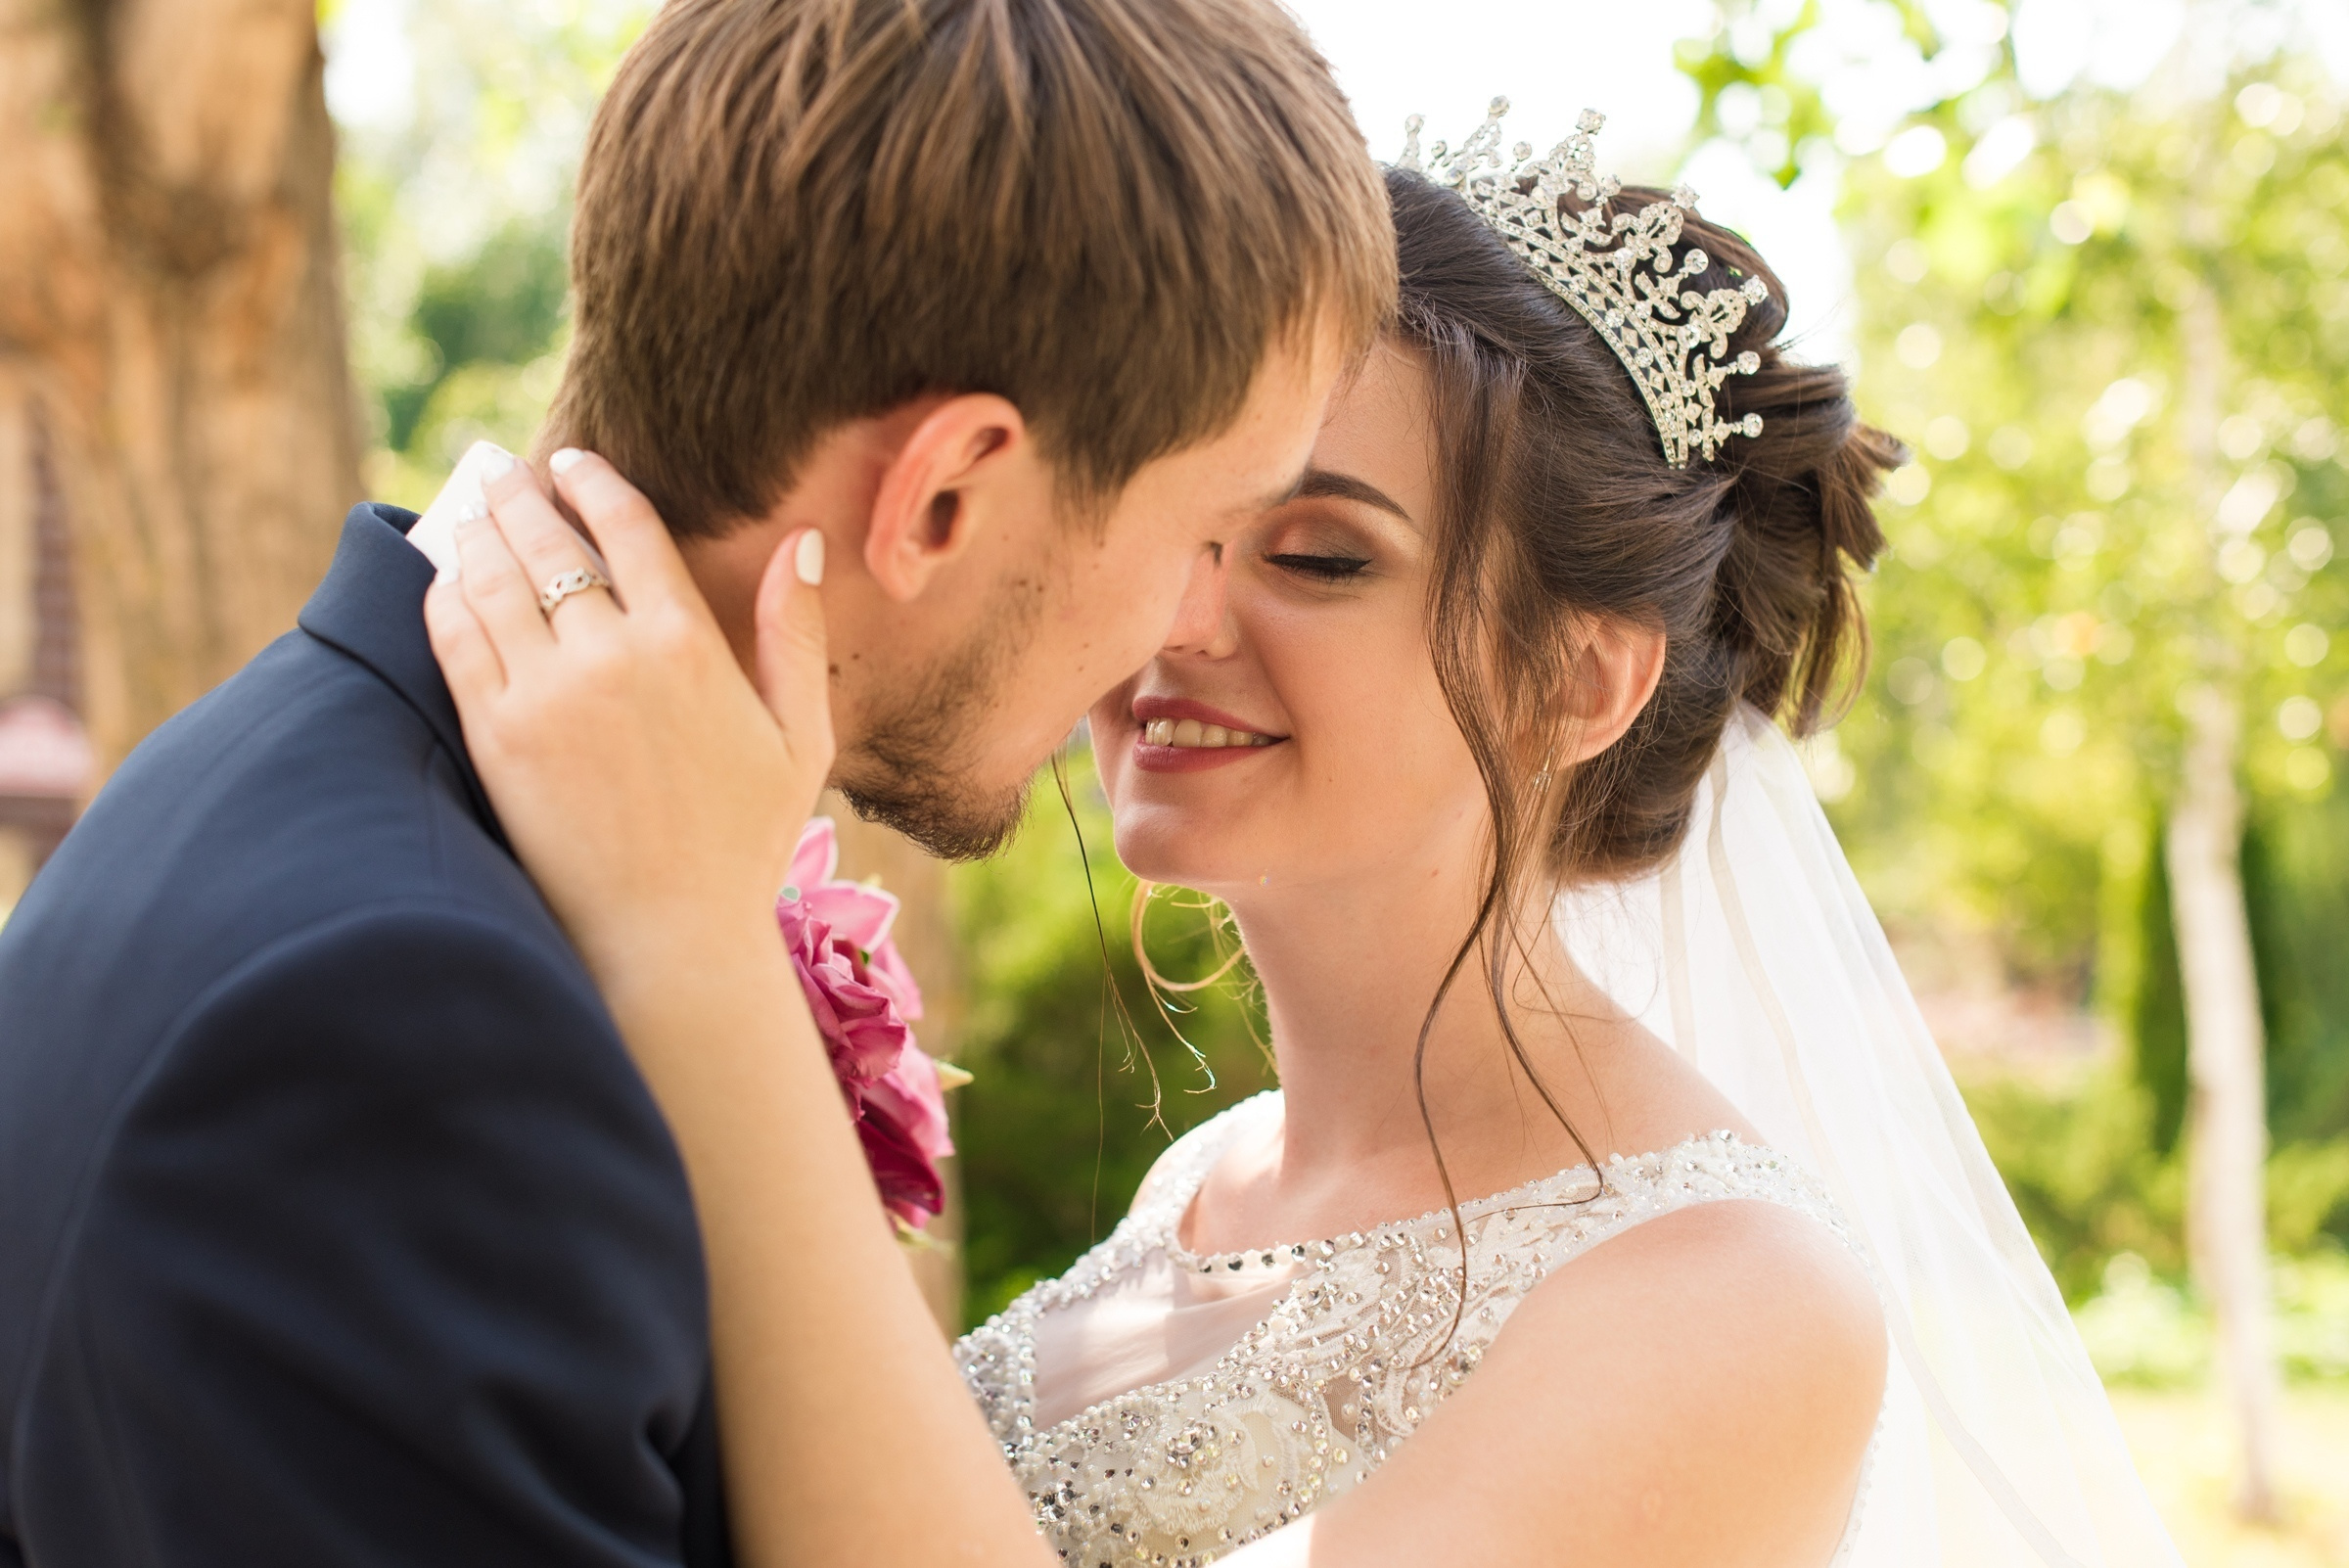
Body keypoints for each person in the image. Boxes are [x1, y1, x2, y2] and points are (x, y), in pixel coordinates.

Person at [430, 103, 2188, 1566]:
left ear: (1577, 678)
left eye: (1321, 556)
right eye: (1184, 521)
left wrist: (697, 958)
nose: (1177, 617)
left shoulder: (1729, 1300)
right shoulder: (1212, 1183)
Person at [0, 2, 1391, 1561]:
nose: (1194, 622)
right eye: (1204, 531)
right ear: (943, 497)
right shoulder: (406, 1022)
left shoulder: (330, 799)